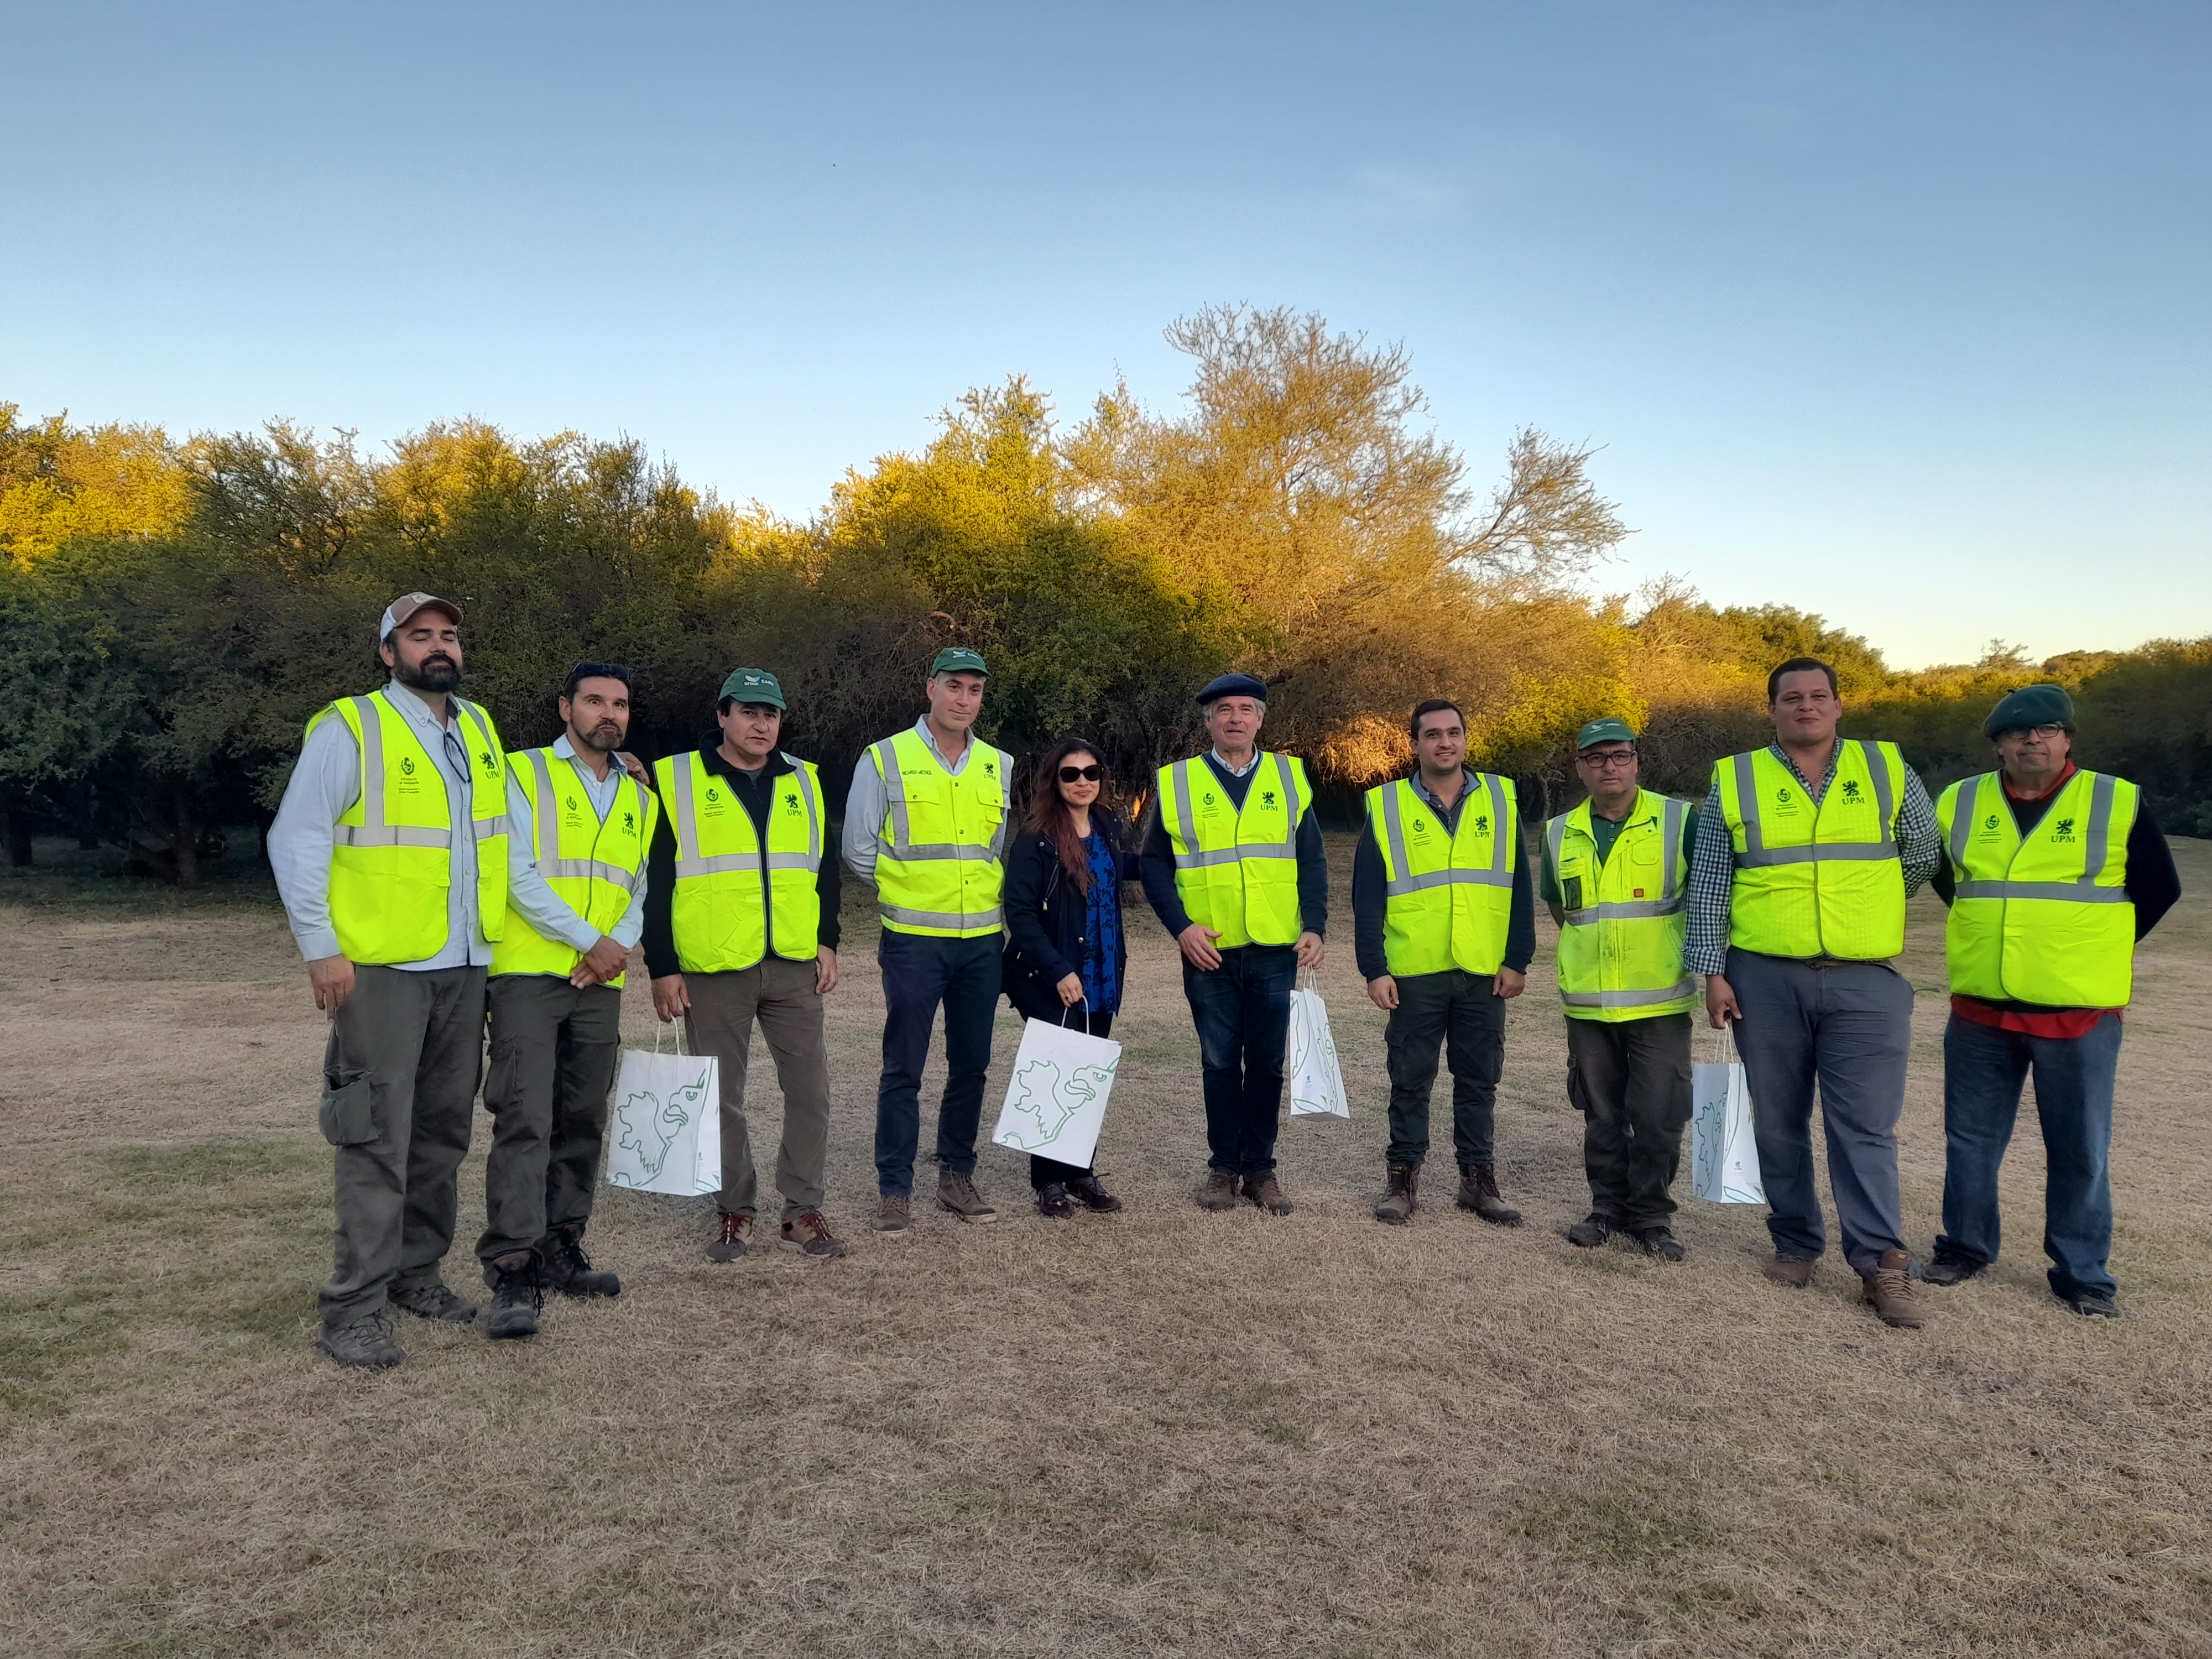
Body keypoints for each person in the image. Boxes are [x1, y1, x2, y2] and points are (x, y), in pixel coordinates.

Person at [267, 593, 513, 1369]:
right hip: (379, 969)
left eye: (448, 635)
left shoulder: (476, 728)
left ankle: (417, 1276)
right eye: (419, 636)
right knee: (376, 1138)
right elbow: (297, 835)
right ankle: (354, 1308)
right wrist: (320, 946)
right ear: (387, 652)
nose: (438, 647)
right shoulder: (351, 727)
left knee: (442, 1136)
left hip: (465, 964)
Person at [1689, 656, 1942, 1329]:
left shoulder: (1887, 768)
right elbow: (1711, 879)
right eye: (1790, 698)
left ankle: (1880, 1265)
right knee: (1776, 1120)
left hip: (1866, 978)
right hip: (1764, 977)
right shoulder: (1736, 778)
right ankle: (1796, 1244)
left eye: (1817, 696)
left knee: (1864, 1126)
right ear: (1770, 710)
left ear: (1837, 705)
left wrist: (1868, 908)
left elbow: (1921, 851)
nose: (1805, 706)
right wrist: (1711, 971)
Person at [1924, 685, 2180, 1318]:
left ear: (2068, 738)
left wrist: (2085, 944)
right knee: (1970, 1142)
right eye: (2016, 734)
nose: (2031, 741)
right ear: (1997, 745)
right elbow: (1946, 878)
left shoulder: (2114, 799)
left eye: (2046, 730)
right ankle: (1964, 1248)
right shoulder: (1959, 800)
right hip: (1980, 1010)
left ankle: (2082, 1272)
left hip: (2078, 1013)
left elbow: (2159, 888)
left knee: (2079, 1149)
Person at [475, 662, 655, 1338]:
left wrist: (617, 947)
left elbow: (637, 884)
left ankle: (560, 1249)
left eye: (620, 704)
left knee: (581, 1117)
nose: (609, 713)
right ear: (564, 708)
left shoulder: (641, 795)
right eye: (594, 701)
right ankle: (514, 1269)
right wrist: (588, 939)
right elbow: (513, 868)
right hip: (528, 973)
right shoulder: (522, 773)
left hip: (600, 981)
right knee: (525, 1119)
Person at [645, 669, 846, 1260]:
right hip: (711, 965)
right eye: (750, 712)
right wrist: (662, 965)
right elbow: (654, 881)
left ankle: (801, 1209)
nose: (762, 724)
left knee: (811, 1090)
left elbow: (824, 869)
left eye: (772, 714)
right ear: (723, 716)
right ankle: (735, 1209)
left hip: (792, 963)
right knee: (719, 1095)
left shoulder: (805, 781)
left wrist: (827, 940)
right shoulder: (673, 779)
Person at [1140, 672, 1327, 1215]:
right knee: (1220, 1063)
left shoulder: (1289, 778)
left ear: (1261, 719)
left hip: (1274, 947)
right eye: (1224, 709)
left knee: (1267, 1064)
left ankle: (1260, 1171)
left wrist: (1313, 924)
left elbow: (1311, 858)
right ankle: (1223, 1170)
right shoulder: (1178, 782)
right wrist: (1182, 928)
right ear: (1208, 721)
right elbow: (1154, 863)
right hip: (1209, 949)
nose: (1235, 718)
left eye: (1246, 709)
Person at [844, 648, 1013, 1232]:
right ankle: (895, 1188)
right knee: (903, 1069)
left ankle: (956, 1177)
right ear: (930, 689)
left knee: (971, 1065)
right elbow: (859, 849)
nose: (964, 699)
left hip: (982, 943)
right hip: (914, 941)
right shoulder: (885, 757)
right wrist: (905, 893)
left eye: (974, 690)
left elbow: (993, 850)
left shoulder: (998, 763)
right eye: (954, 687)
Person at [1353, 699, 1535, 1227]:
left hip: (1483, 969)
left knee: (1479, 1080)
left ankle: (1477, 1182)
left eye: (1454, 732)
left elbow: (1518, 886)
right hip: (1414, 970)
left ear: (1466, 739)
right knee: (1410, 1079)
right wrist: (1375, 968)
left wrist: (1517, 957)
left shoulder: (1501, 798)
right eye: (1432, 735)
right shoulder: (1386, 806)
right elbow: (1367, 896)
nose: (1445, 743)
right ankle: (1402, 1180)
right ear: (1415, 744)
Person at [1539, 718, 1698, 1259]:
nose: (1609, 766)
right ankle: (1605, 1208)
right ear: (1581, 767)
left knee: (1658, 1116)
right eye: (1596, 758)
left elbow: (1704, 904)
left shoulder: (1679, 821)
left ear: (1637, 761)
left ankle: (1651, 1217)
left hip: (1659, 1001)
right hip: (1589, 1006)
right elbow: (1564, 909)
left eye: (1619, 755)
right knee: (1602, 1116)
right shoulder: (1559, 832)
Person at [1002, 738, 1129, 1218]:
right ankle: (1049, 1180)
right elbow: (1020, 911)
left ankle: (1081, 1173)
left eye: (1091, 773)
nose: (1082, 782)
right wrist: (1059, 970)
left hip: (1103, 970)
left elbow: (1123, 875)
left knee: (1089, 1075)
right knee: (1057, 1074)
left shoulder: (1109, 826)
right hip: (1055, 973)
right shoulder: (1036, 836)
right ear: (1054, 780)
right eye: (1071, 774)